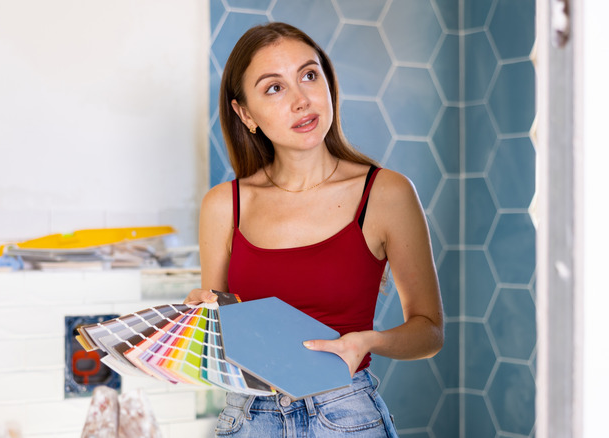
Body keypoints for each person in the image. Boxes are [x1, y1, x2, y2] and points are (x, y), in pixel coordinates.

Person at [185, 22, 444, 437]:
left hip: (344, 414)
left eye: (309, 75)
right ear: (245, 113)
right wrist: (205, 313)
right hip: (249, 417)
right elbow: (220, 338)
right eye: (274, 88)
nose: (302, 100)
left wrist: (367, 342)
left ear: (328, 83)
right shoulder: (224, 205)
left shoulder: (386, 193)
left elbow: (429, 331)